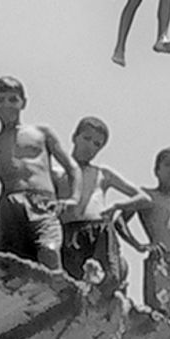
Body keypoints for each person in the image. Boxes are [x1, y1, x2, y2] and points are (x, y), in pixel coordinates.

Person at [0, 77, 76, 269]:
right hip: (10, 203)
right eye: (0, 100)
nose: (7, 105)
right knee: (13, 263)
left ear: (23, 103)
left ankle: (57, 285)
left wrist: (74, 198)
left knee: (49, 250)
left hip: (42, 201)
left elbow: (72, 168)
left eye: (13, 99)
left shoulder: (41, 132)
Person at [115, 150, 170, 339]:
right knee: (161, 313)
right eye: (169, 165)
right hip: (162, 260)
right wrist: (139, 244)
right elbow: (119, 221)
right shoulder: (147, 196)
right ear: (157, 170)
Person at [58, 120, 141, 292]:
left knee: (110, 277)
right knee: (74, 283)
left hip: (98, 229)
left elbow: (143, 198)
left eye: (97, 144)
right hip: (70, 231)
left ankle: (112, 294)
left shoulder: (102, 173)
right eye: (86, 138)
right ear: (74, 137)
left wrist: (117, 206)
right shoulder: (58, 172)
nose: (90, 146)